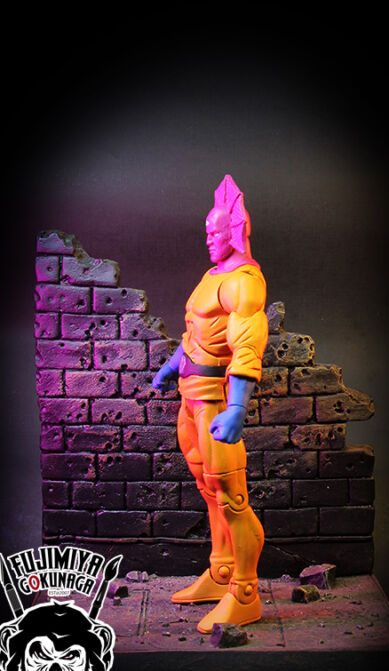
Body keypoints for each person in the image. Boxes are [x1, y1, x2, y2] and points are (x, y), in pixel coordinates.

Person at [152, 175, 268, 634]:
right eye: (206, 232)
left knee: (232, 496)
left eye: (214, 233)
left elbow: (246, 345)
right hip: (190, 398)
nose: (207, 240)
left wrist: (237, 407)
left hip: (216, 403)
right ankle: (221, 571)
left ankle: (245, 592)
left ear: (234, 232)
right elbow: (195, 334)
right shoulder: (213, 275)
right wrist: (171, 366)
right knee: (207, 488)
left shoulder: (244, 283)